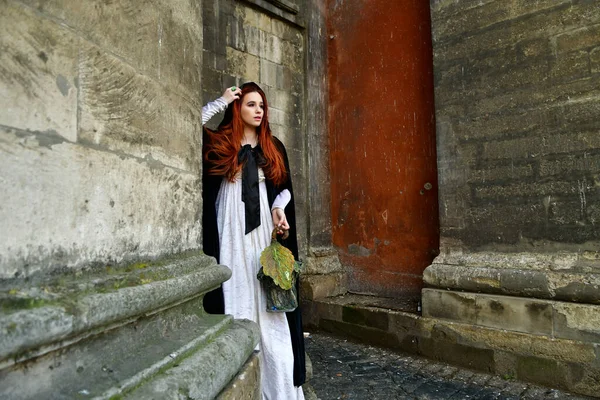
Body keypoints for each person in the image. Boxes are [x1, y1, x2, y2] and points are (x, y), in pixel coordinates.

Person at [201, 82, 306, 399]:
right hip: (230, 228)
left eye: (262, 104)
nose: (259, 110)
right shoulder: (220, 144)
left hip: (262, 232)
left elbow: (283, 186)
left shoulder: (274, 145)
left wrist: (278, 208)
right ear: (238, 108)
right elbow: (186, 123)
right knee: (237, 294)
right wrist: (220, 101)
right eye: (250, 104)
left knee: (269, 301)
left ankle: (278, 389)